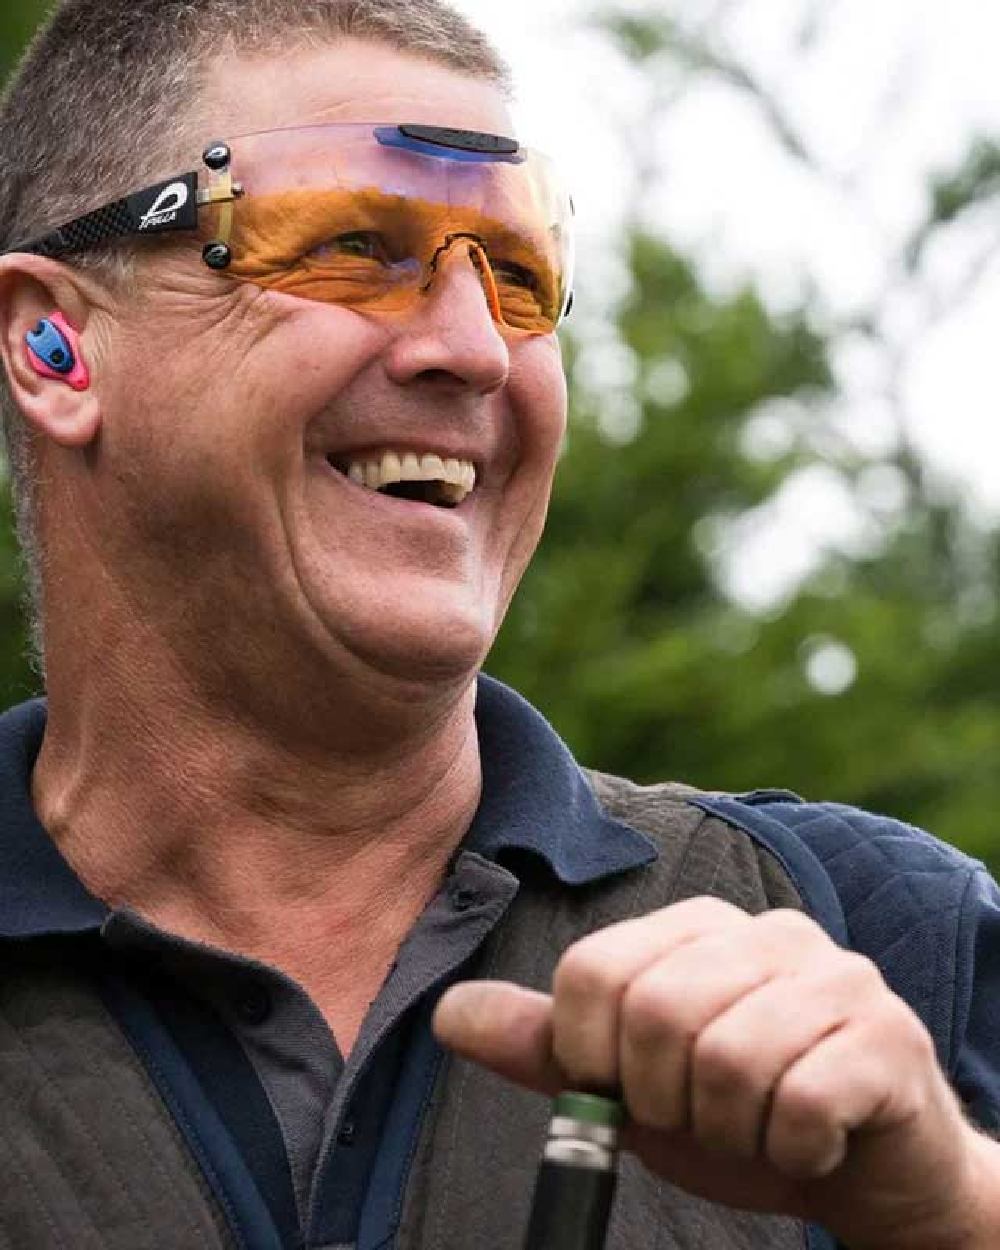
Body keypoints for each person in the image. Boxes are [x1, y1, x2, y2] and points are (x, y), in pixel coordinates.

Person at [0, 2, 996, 1248]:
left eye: (522, 275)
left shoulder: (869, 938)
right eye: (355, 241)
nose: (479, 349)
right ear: (54, 345)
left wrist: (953, 1203)